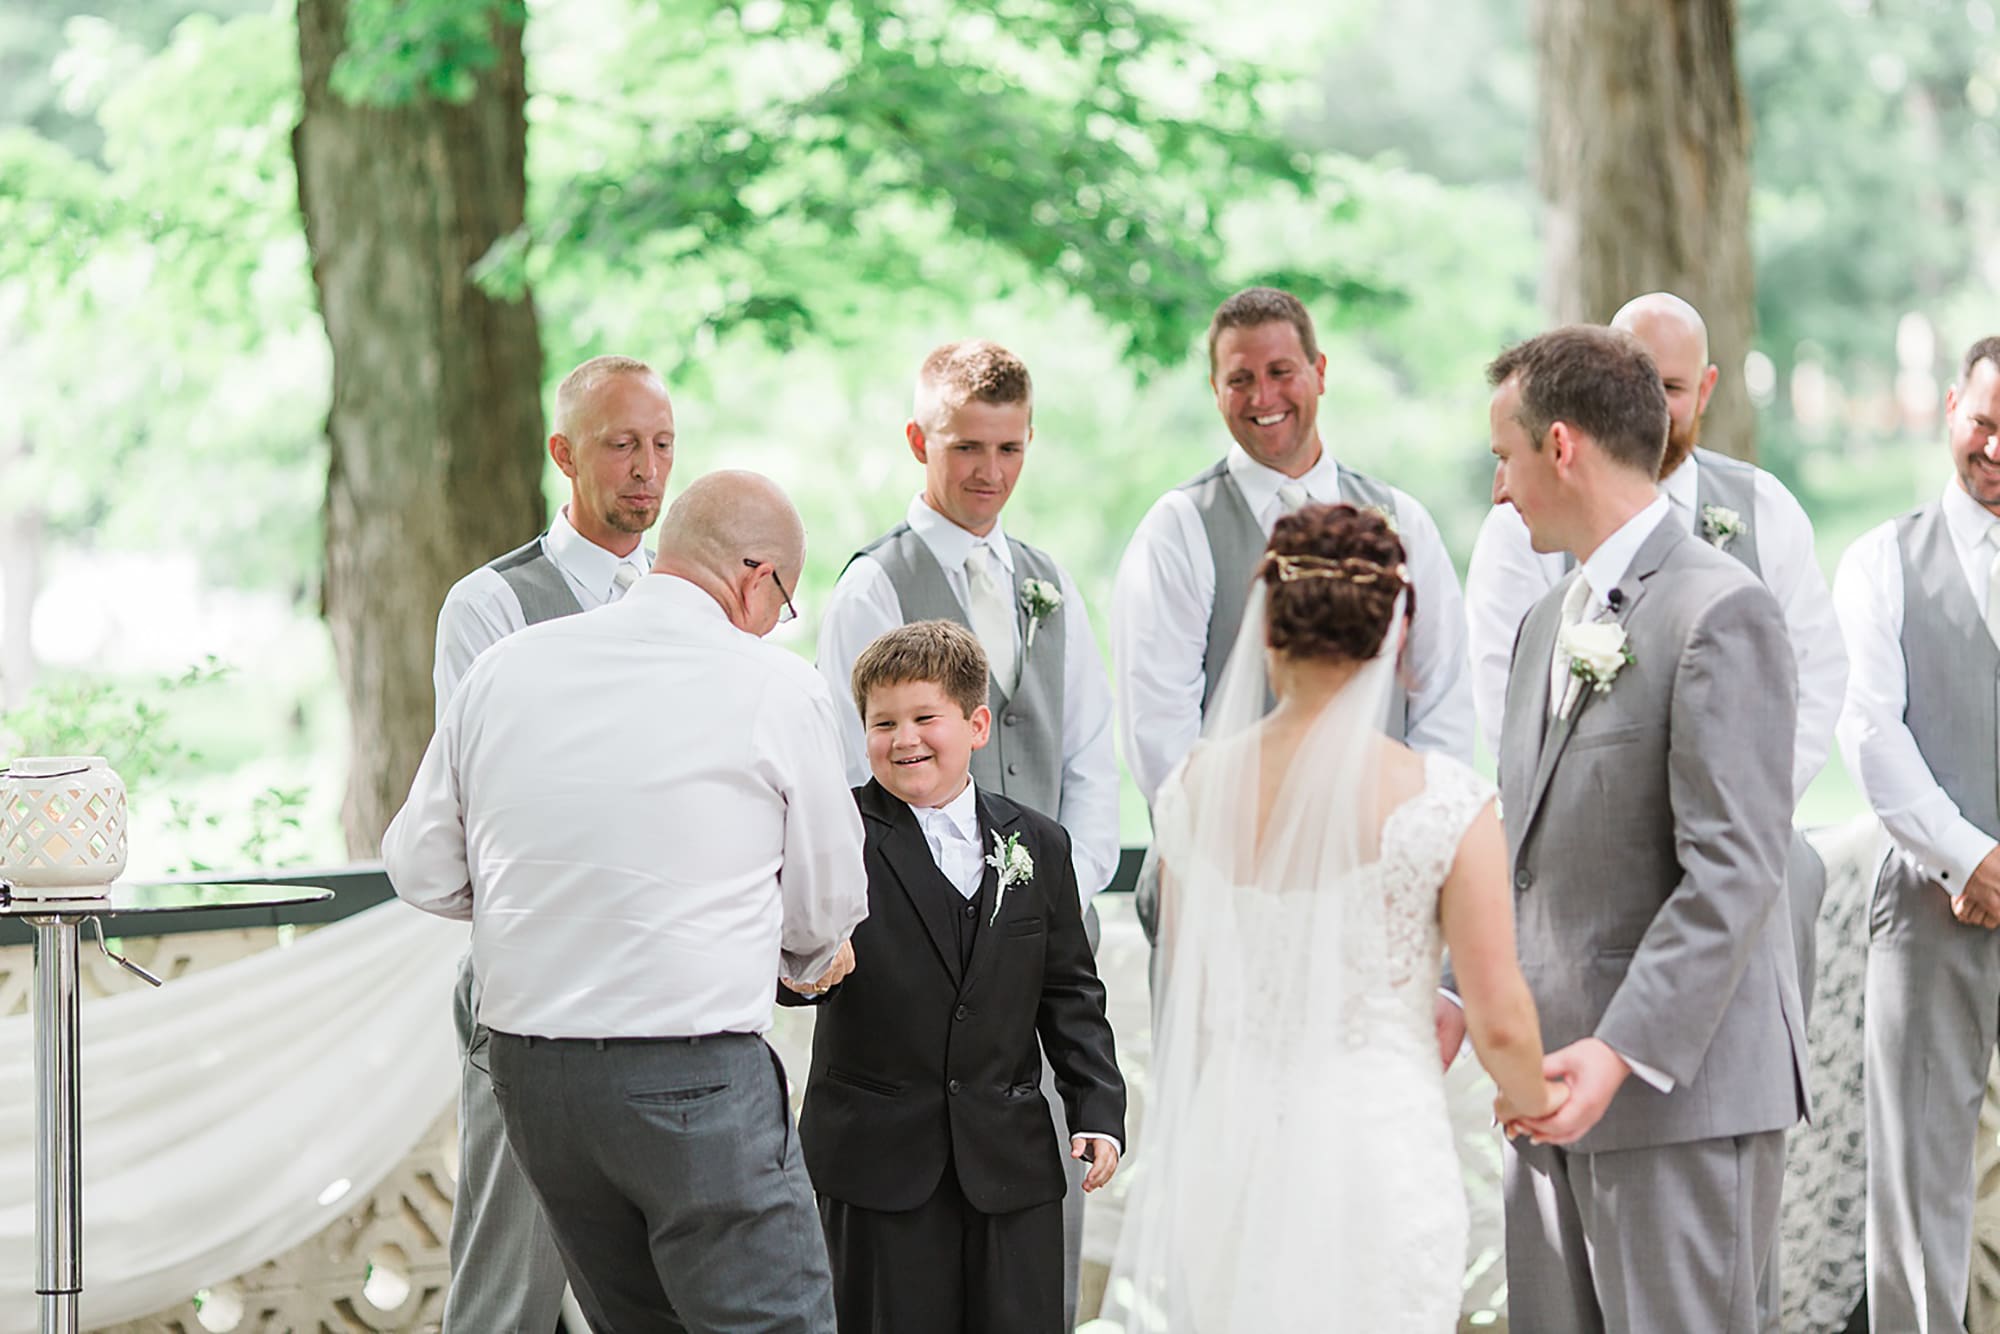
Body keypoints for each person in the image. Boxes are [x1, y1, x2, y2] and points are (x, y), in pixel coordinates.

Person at [384, 470, 867, 1334]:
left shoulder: (505, 668)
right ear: (757, 578)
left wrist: (548, 909)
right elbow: (825, 908)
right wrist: (798, 957)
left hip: (534, 1079)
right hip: (691, 1080)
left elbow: (420, 867)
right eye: (782, 602)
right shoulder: (777, 686)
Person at [1099, 503, 1561, 1332]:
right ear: (1395, 631)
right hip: (1377, 1157)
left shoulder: (1192, 793)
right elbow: (1497, 1019)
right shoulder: (1446, 805)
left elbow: (1198, 1002)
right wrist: (1540, 1103)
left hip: (1232, 1156)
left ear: (1266, 625)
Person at [1446, 326, 1806, 1332]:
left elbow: (1733, 868)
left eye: (1502, 456)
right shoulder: (1539, 624)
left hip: (1673, 1096)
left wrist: (1615, 1049)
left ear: (1559, 446)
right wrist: (1451, 993)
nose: (1497, 489)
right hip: (1543, 1092)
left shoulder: (1719, 611)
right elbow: (1525, 848)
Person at [813, 339, 1119, 1323]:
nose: (989, 470)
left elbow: (1087, 744)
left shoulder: (1047, 580)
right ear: (920, 441)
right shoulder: (873, 582)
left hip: (1026, 911)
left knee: (1016, 1191)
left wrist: (1055, 891)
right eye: (966, 447)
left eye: (1009, 447)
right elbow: (839, 762)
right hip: (900, 933)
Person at [1465, 292, 1846, 1011]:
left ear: (1704, 388)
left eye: (1671, 387)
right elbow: (1506, 699)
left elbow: (1818, 676)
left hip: (1746, 833)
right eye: (1642, 383)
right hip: (1586, 846)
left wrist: (1746, 806)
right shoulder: (1524, 516)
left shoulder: (1764, 506)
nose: (1658, 406)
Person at [426, 352, 674, 1334]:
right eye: (621, 445)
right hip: (537, 992)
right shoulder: (487, 604)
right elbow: (484, 804)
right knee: (510, 1282)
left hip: (669, 994)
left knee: (659, 1286)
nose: (646, 468)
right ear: (563, 453)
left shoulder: (692, 600)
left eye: (661, 445)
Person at [787, 619, 1126, 1334]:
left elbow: (1069, 990)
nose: (903, 739)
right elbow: (789, 961)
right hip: (878, 1166)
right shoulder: (837, 832)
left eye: (923, 718)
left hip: (1010, 1164)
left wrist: (1097, 1107)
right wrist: (806, 969)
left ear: (975, 725)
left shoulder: (1038, 841)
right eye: (883, 723)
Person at [1112, 286, 1474, 941]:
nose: (1262, 397)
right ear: (1215, 389)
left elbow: (1444, 699)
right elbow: (1157, 729)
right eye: (1239, 379)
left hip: (1378, 873)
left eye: (1281, 372)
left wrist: (1404, 843)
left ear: (1320, 372)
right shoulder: (1178, 528)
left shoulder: (1403, 519)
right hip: (1227, 888)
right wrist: (1239, 862)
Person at [1836, 335, 2000, 1333]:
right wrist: (1972, 857)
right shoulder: (1879, 561)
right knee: (1915, 1188)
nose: (1998, 448)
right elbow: (1868, 729)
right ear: (1949, 407)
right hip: (1929, 902)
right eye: (1984, 423)